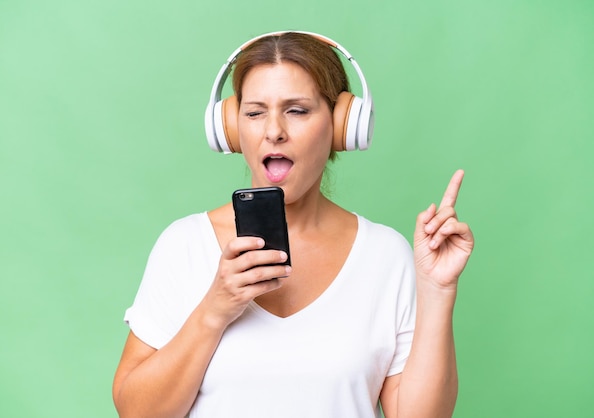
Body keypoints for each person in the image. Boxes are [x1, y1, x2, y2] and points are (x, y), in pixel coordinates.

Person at [112, 31, 474, 418]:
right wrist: (214, 311)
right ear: (232, 131)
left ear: (340, 126)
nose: (273, 131)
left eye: (296, 110)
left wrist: (436, 290)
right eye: (254, 113)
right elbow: (136, 412)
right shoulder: (184, 245)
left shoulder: (385, 254)